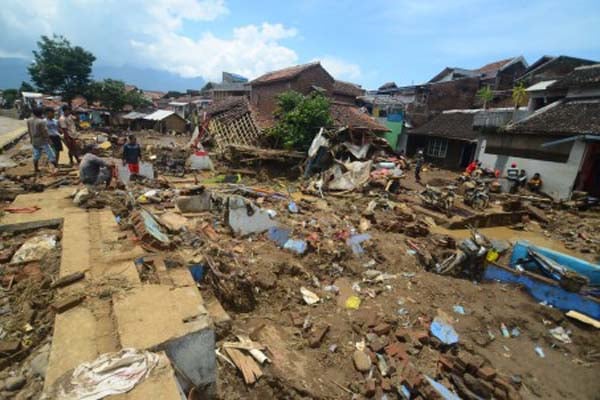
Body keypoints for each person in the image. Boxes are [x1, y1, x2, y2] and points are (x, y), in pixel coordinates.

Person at [27, 107, 57, 174]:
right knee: (51, 154)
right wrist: (49, 140)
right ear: (41, 113)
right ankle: (56, 168)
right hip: (42, 141)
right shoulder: (41, 121)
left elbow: (29, 131)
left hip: (34, 140)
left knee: (36, 154)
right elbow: (45, 132)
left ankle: (36, 168)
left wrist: (31, 139)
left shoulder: (29, 120)